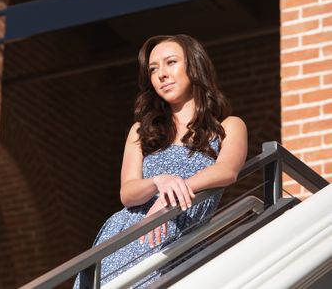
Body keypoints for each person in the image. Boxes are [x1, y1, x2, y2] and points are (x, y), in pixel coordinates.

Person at [73, 34, 247, 288]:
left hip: (182, 241)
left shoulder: (229, 126)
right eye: (153, 69)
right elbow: (128, 192)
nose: (161, 74)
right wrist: (158, 182)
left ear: (194, 66)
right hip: (131, 235)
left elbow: (226, 171)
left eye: (171, 62)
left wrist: (173, 192)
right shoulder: (140, 130)